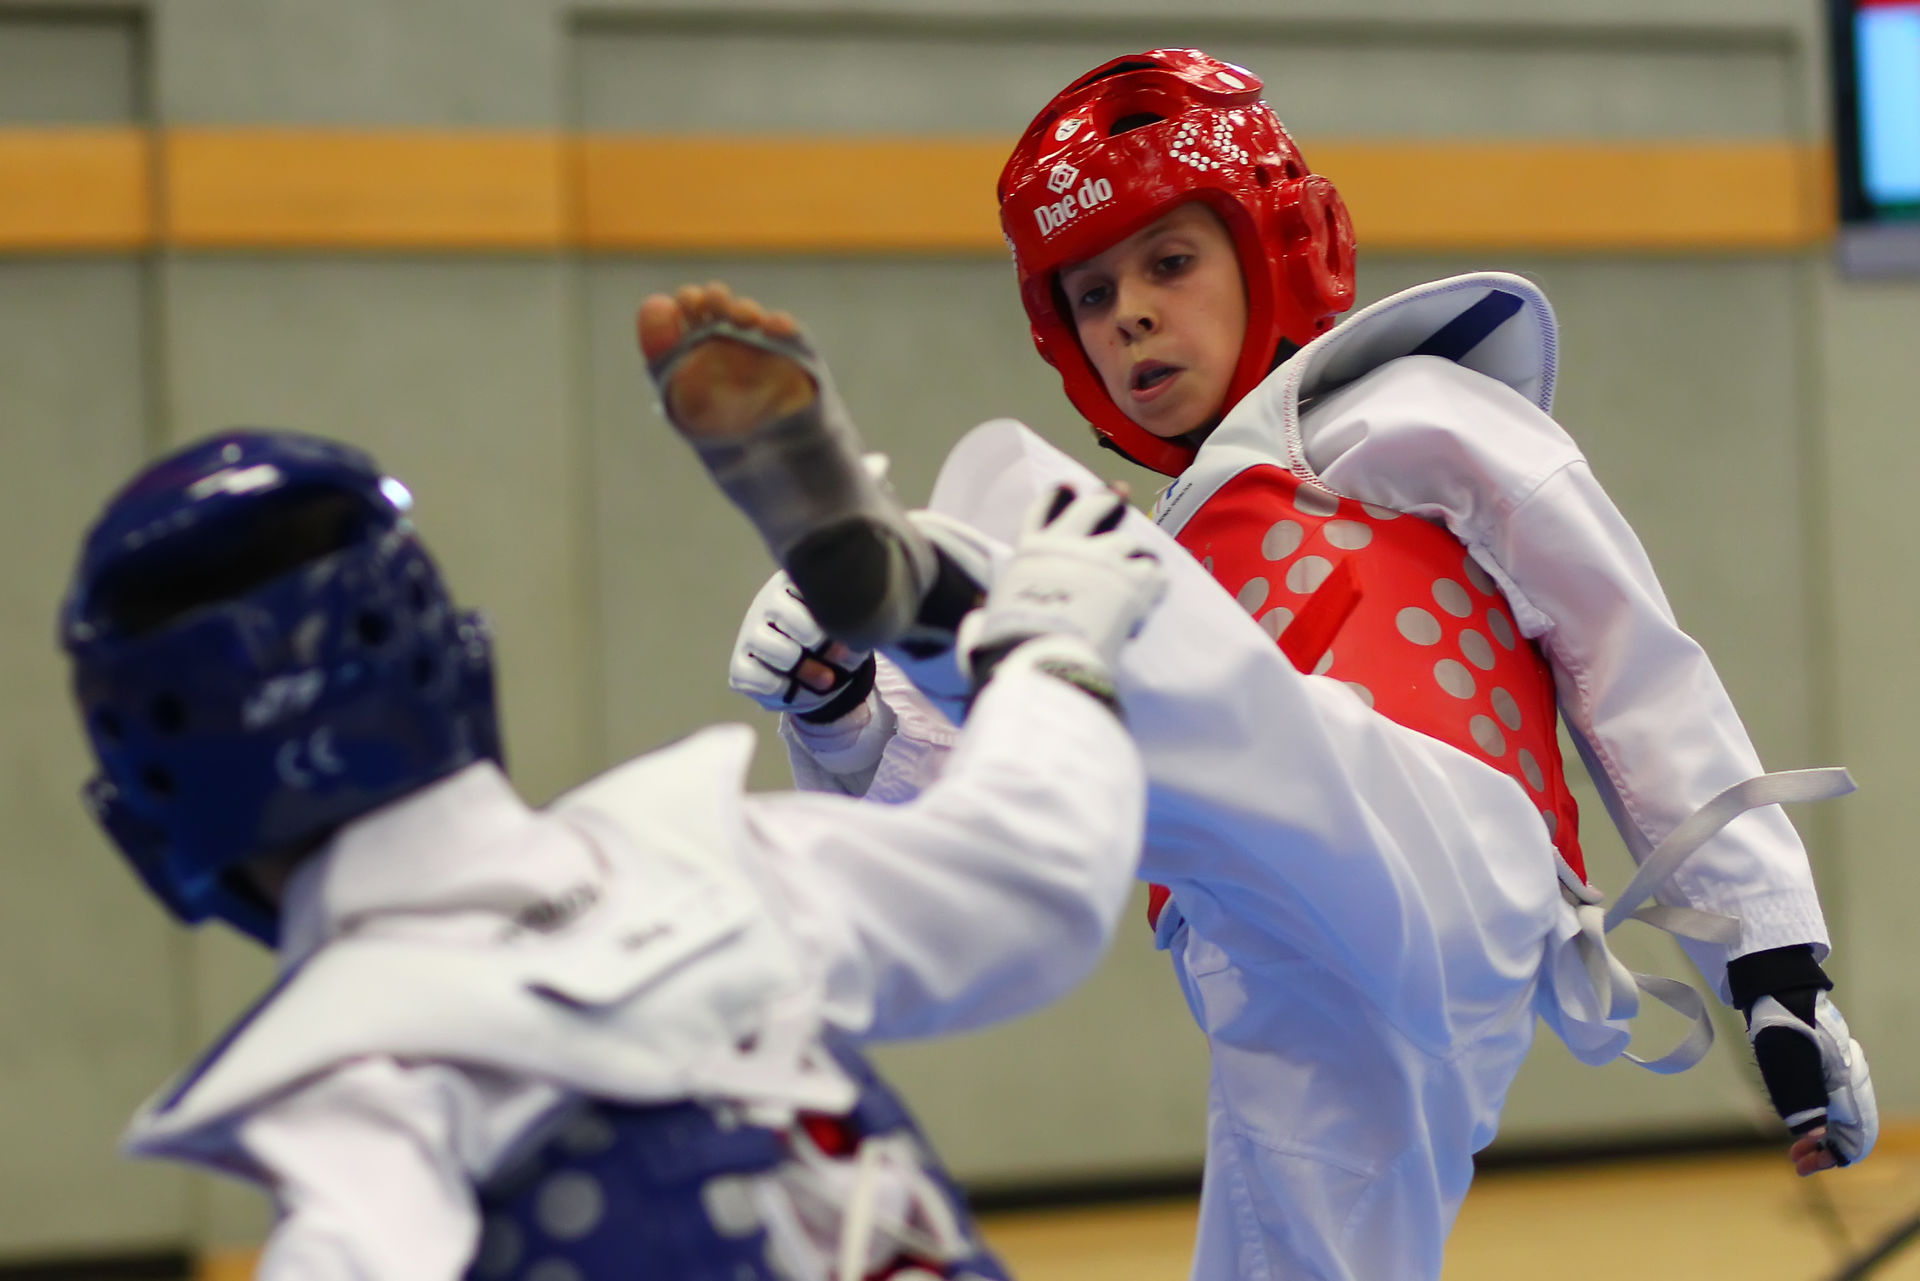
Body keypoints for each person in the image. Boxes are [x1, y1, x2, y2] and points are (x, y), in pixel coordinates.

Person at [689, 47, 1879, 1281]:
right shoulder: (1153, 567)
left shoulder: (1412, 411)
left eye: (1169, 263)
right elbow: (980, 803)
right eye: (1091, 295)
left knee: (1071, 560)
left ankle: (939, 588)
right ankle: (874, 685)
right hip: (1274, 970)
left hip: (1446, 844)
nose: (1129, 314)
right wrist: (840, 710)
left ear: (1282, 251)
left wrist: (1770, 962)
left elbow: (1632, 665)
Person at [60, 426, 1167, 1281]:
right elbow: (1037, 871)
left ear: (154, 826)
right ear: (453, 658)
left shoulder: (356, 1091)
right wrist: (1047, 643)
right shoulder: (695, 852)